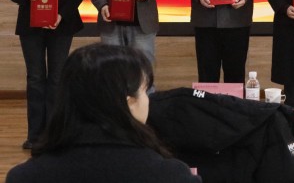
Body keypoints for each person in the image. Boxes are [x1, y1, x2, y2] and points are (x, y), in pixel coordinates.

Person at [6, 43, 200, 183]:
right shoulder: (172, 175)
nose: (149, 100)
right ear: (129, 102)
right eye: (144, 91)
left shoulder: (24, 177)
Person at [2, 0, 85, 151]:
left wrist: (62, 15)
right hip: (31, 26)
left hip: (61, 25)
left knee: (57, 78)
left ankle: (55, 134)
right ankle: (35, 135)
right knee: (36, 78)